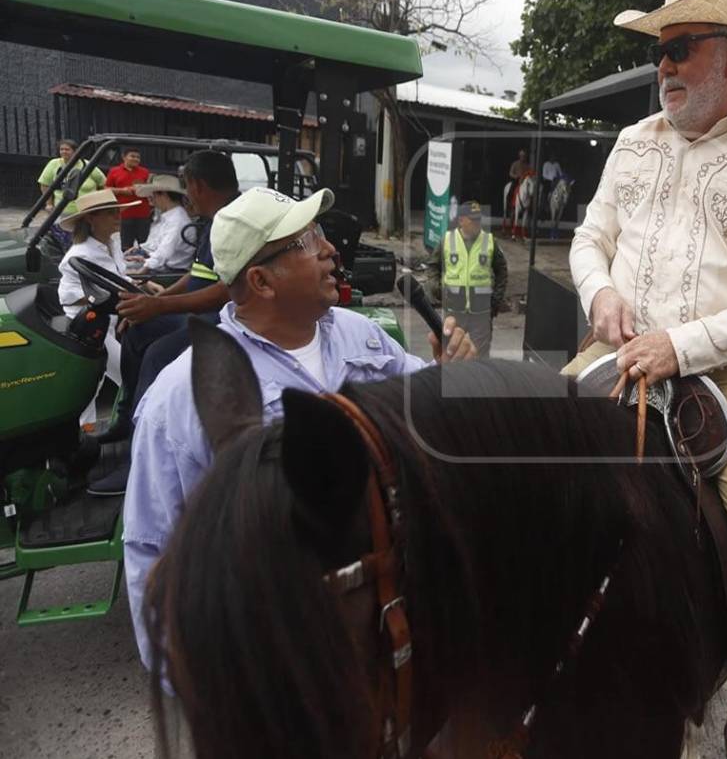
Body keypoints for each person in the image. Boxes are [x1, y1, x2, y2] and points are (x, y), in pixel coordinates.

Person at [565, 0, 727, 759]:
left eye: (682, 47)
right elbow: (589, 240)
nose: (664, 66)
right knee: (500, 478)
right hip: (606, 358)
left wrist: (683, 344)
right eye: (659, 50)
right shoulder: (634, 144)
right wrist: (598, 293)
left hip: (724, 378)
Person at [123, 186, 477, 687]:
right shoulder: (180, 399)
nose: (330, 249)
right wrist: (194, 690)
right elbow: (153, 553)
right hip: (274, 662)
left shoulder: (364, 336)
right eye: (308, 240)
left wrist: (447, 373)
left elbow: (421, 413)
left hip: (379, 624)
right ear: (262, 280)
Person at [93, 152, 238, 465]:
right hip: (198, 313)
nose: (186, 197)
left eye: (186, 186)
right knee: (136, 330)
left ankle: (141, 457)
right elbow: (197, 274)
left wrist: (159, 305)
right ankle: (127, 419)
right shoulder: (215, 220)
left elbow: (229, 289)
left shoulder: (235, 221)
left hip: (223, 321)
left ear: (197, 185)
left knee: (158, 354)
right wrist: (154, 304)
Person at [55, 190, 143, 435]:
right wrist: (109, 297)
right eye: (110, 214)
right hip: (90, 326)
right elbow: (68, 294)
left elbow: (117, 278)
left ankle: (88, 432)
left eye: (118, 212)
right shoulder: (80, 254)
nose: (118, 218)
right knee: (126, 375)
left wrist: (141, 286)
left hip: (109, 322)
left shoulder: (110, 243)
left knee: (97, 381)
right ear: (91, 219)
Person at [428, 199, 508, 356]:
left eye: (479, 220)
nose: (477, 224)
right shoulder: (447, 240)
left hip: (482, 312)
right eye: (473, 220)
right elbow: (432, 266)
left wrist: (496, 301)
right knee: (452, 353)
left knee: (480, 356)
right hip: (454, 310)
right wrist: (437, 289)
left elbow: (502, 271)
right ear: (461, 220)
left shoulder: (489, 241)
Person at [37, 138, 105, 249]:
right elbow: (45, 184)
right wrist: (49, 203)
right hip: (63, 210)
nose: (63, 152)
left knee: (87, 240)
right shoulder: (54, 164)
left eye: (67, 149)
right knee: (66, 241)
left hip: (86, 211)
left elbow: (103, 183)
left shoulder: (87, 165)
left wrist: (99, 202)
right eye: (61, 149)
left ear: (75, 151)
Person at [125, 174, 193, 274]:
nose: (152, 199)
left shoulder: (177, 220)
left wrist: (141, 271)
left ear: (164, 195)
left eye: (154, 195)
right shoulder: (169, 216)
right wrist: (142, 252)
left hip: (169, 271)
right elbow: (157, 246)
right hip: (161, 266)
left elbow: (164, 252)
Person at [105, 147, 153, 250]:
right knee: (126, 245)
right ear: (124, 157)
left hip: (143, 214)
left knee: (145, 244)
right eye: (132, 156)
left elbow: (150, 189)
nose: (135, 159)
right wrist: (123, 190)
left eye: (138, 157)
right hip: (124, 214)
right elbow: (106, 189)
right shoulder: (114, 171)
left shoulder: (145, 172)